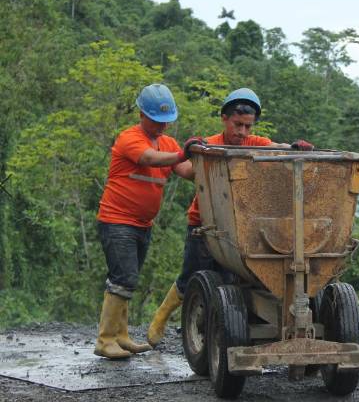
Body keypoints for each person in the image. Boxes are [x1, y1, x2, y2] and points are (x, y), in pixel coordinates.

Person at [146, 88, 314, 347]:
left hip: (238, 228)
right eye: (237, 125)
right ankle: (161, 317)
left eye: (248, 126)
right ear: (224, 118)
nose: (242, 132)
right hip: (205, 223)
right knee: (191, 276)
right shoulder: (210, 144)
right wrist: (190, 152)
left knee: (228, 282)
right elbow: (188, 171)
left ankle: (217, 335)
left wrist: (294, 148)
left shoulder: (254, 143)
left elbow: (277, 148)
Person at [94, 83, 198, 359]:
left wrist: (204, 157)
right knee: (123, 278)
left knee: (128, 279)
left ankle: (121, 336)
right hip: (117, 221)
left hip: (142, 224)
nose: (162, 126)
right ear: (142, 114)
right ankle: (105, 340)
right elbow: (149, 158)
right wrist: (182, 153)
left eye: (166, 121)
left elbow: (186, 171)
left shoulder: (168, 143)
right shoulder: (130, 138)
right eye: (156, 120)